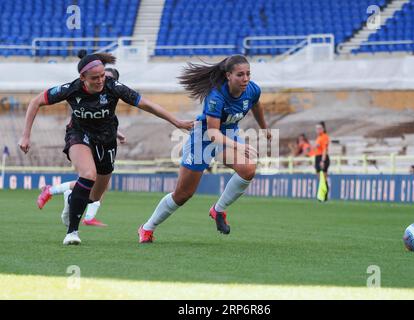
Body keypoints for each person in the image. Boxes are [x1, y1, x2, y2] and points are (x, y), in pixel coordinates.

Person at [18, 51, 193, 245]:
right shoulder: (70, 89)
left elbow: (146, 105)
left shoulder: (113, 87)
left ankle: (70, 196)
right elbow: (36, 102)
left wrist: (176, 121)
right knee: (88, 174)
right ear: (82, 78)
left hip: (107, 141)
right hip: (79, 135)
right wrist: (26, 135)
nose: (100, 80)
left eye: (102, 76)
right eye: (95, 78)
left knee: (94, 196)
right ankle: (72, 233)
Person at [137, 54, 271, 243]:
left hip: (228, 136)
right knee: (183, 195)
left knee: (248, 168)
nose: (246, 79)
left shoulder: (252, 89)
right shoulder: (216, 96)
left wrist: (264, 127)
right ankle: (147, 228)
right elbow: (213, 133)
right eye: (240, 75)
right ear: (228, 76)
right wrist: (240, 145)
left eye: (248, 74)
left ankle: (218, 210)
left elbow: (256, 104)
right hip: (204, 138)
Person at [36, 67, 125, 228]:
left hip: (102, 143)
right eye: (99, 78)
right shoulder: (82, 95)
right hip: (82, 141)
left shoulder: (110, 98)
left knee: (98, 184)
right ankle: (56, 193)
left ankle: (63, 195)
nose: (102, 82)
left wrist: (116, 133)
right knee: (89, 178)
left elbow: (105, 122)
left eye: (106, 78)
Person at [314, 121, 330, 202]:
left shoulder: (325, 137)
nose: (318, 130)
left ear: (323, 129)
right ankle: (321, 195)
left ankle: (325, 196)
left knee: (323, 177)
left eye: (320, 128)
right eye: (317, 128)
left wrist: (323, 161)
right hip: (317, 157)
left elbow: (325, 150)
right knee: (319, 178)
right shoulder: (318, 137)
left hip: (322, 158)